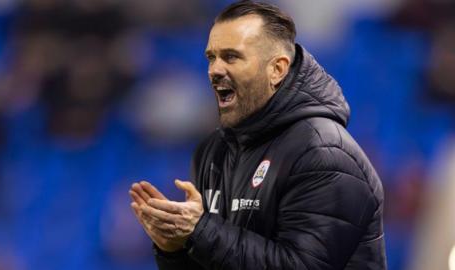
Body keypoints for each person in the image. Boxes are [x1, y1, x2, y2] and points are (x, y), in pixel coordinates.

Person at [129, 1, 387, 269]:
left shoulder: (324, 153)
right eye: (211, 57)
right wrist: (174, 250)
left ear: (277, 69)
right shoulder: (214, 153)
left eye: (231, 57)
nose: (215, 70)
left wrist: (201, 230)